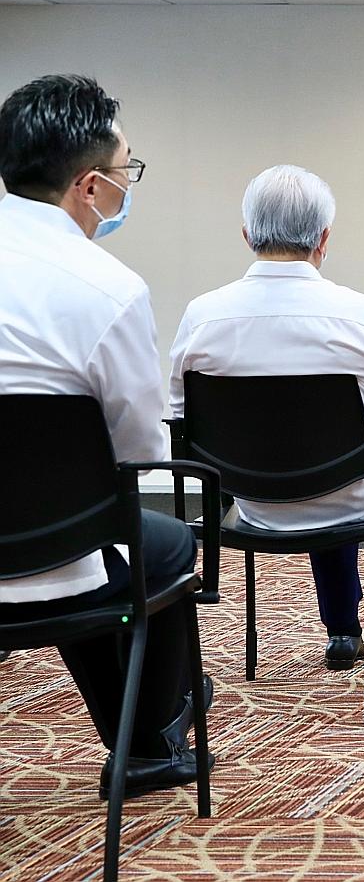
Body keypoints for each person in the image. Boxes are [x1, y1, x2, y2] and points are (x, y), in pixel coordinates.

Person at [0, 74, 209, 799]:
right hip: (53, 548)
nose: (129, 183)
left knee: (88, 531)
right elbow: (139, 451)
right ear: (90, 187)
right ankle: (152, 741)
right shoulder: (107, 287)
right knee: (155, 540)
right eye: (129, 169)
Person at [168, 165, 364, 671]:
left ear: (247, 235)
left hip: (251, 501)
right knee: (348, 465)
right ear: (324, 238)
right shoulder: (361, 313)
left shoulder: (203, 315)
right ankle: (344, 629)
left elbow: (179, 417)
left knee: (318, 461)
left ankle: (340, 628)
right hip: (350, 496)